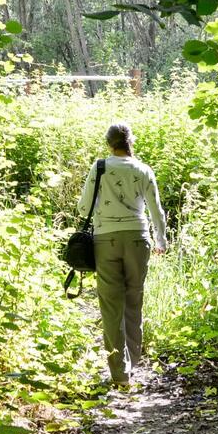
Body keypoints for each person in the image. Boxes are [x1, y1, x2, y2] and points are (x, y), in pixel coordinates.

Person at [76, 123, 167, 386]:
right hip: (138, 240)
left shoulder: (100, 167)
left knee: (111, 305)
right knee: (133, 300)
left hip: (106, 241)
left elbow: (84, 208)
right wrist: (160, 240)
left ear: (109, 143)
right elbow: (156, 210)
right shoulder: (143, 169)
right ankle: (134, 362)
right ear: (131, 142)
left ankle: (120, 373)